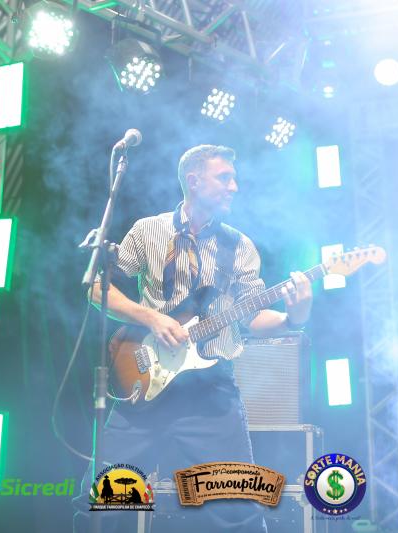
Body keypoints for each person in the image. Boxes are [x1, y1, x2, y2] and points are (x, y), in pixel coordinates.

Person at [73, 144, 312, 532]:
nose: (234, 186)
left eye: (234, 178)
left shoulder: (239, 246)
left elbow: (253, 317)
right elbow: (99, 288)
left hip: (209, 394)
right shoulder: (148, 231)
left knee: (237, 512)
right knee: (103, 504)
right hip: (145, 385)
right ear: (194, 180)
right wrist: (151, 317)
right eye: (225, 177)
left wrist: (293, 317)